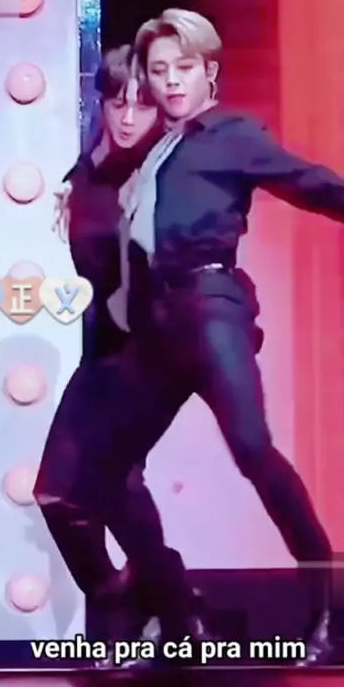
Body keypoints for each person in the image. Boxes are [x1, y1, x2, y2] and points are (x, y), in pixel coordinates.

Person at [71, 9, 344, 667]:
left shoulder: (230, 136)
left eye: (183, 68)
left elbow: (321, 189)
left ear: (209, 71)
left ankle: (329, 611)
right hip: (156, 326)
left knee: (252, 450)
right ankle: (176, 611)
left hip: (209, 308)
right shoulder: (156, 150)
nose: (171, 81)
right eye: (159, 70)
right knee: (101, 471)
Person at [33, 45, 205, 644]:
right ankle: (146, 597)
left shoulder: (164, 176)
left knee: (108, 482)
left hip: (151, 355)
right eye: (117, 102)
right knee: (57, 494)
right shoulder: (87, 173)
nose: (128, 117)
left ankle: (165, 612)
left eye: (141, 104)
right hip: (101, 352)